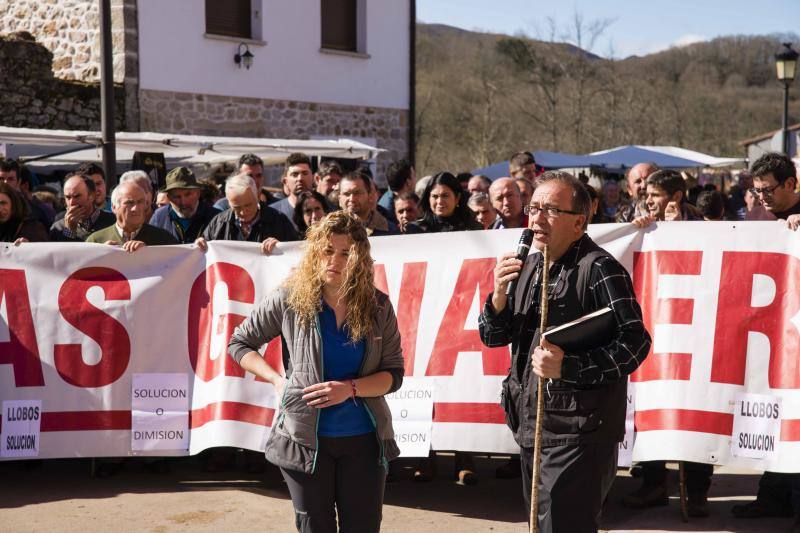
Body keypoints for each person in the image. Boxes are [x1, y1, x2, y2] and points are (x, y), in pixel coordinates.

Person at [479, 171, 651, 532]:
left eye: (551, 210)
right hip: (532, 424)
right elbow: (494, 337)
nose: (537, 219)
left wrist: (569, 367)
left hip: (580, 432)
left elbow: (635, 343)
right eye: (534, 208)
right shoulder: (528, 265)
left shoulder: (600, 268)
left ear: (578, 222)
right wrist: (497, 298)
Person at [228, 210, 405, 532]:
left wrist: (349, 389)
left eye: (345, 253)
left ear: (360, 260)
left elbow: (393, 375)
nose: (334, 261)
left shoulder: (378, 305)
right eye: (327, 251)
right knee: (315, 527)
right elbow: (240, 343)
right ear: (314, 252)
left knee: (363, 526)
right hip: (304, 438)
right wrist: (276, 380)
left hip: (364, 439)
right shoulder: (290, 298)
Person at [733, 152, 800, 529]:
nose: (761, 198)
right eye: (756, 192)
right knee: (768, 419)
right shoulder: (758, 216)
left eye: (768, 190)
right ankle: (771, 497)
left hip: (795, 336)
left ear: (791, 184)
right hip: (765, 337)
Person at [197, 173, 298, 253]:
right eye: (236, 207)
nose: (243, 211)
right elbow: (203, 254)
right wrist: (199, 245)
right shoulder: (218, 223)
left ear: (258, 197)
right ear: (228, 203)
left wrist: (281, 247)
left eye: (248, 205)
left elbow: (295, 252)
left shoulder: (279, 221)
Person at [86, 182, 177, 250]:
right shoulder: (95, 241)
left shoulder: (164, 240)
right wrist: (99, 255)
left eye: (140, 202)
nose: (136, 208)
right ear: (114, 207)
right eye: (129, 203)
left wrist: (149, 252)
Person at [149, 167, 220, 244]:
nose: (183, 202)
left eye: (188, 194)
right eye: (176, 196)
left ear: (198, 193)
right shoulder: (159, 217)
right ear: (169, 198)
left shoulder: (217, 218)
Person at [405, 172, 482, 234]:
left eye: (445, 196)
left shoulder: (473, 229)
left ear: (457, 198)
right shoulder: (416, 229)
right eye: (435, 196)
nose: (439, 201)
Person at [50, 173, 116, 242]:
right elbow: (62, 251)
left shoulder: (113, 221)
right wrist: (69, 232)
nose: (72, 202)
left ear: (92, 196)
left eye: (77, 196)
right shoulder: (57, 228)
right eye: (68, 197)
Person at [633, 169, 703, 226]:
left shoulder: (700, 226)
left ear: (676, 197)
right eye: (647, 195)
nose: (648, 201)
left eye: (655, 195)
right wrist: (636, 228)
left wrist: (678, 228)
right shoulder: (647, 224)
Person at [745, 152, 800, 224]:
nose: (761, 197)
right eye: (757, 190)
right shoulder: (752, 217)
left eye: (767, 190)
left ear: (789, 184)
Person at [339, 171, 399, 236]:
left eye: (357, 193)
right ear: (339, 199)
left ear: (370, 196)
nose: (351, 199)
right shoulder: (329, 230)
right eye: (346, 194)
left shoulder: (391, 231)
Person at [0, 158, 55, 229]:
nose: (5, 183)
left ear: (18, 182)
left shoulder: (33, 211)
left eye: (10, 179)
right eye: (1, 179)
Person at [271, 153, 315, 231]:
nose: (300, 178)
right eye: (295, 174)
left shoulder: (326, 209)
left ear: (313, 177)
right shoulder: (273, 212)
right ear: (286, 181)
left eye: (305, 173)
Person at [378, 159, 416, 224]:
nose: (416, 179)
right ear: (408, 182)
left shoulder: (389, 198)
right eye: (414, 176)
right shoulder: (387, 211)